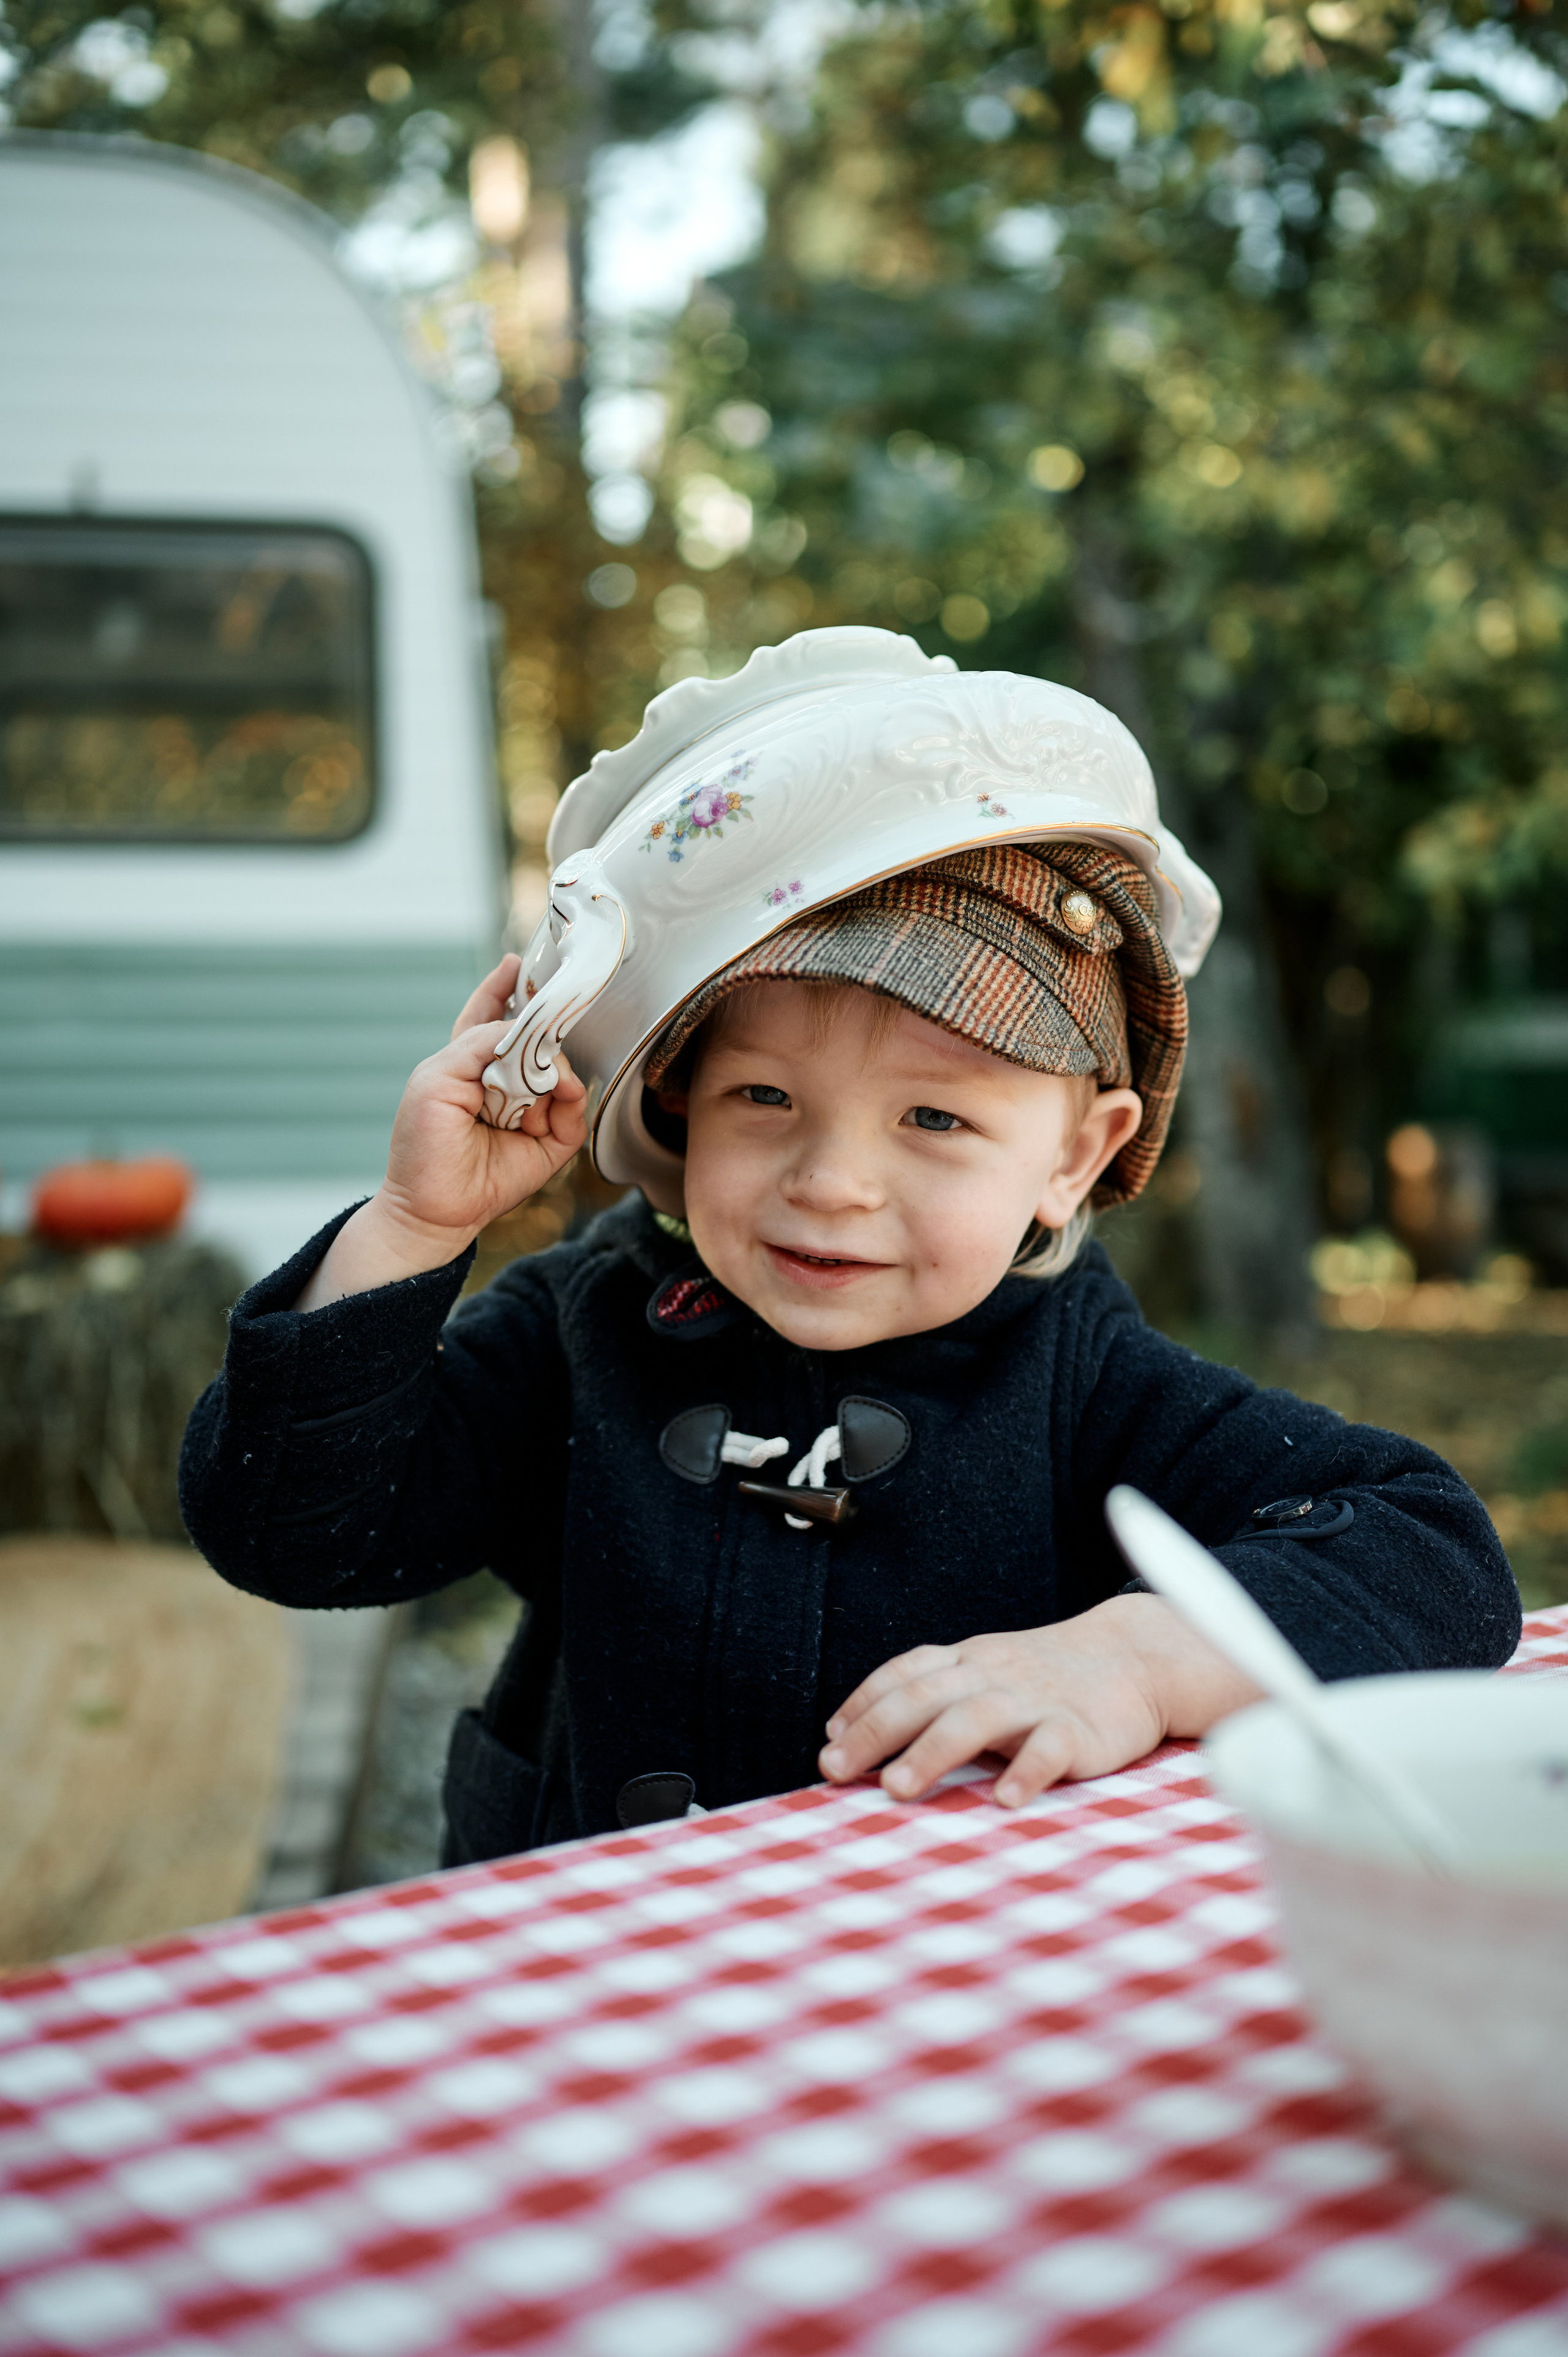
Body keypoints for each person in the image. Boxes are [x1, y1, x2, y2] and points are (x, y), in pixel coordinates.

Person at [179, 630, 1518, 1860]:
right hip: (584, 1988)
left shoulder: (1087, 1385)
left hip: (932, 2010)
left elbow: (1428, 1553)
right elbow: (295, 1532)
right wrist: (421, 1224)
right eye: (762, 1098)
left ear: (1074, 1154)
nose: (829, 1184)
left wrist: (1131, 1658)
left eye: (933, 1117)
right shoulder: (579, 1328)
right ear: (677, 1100)